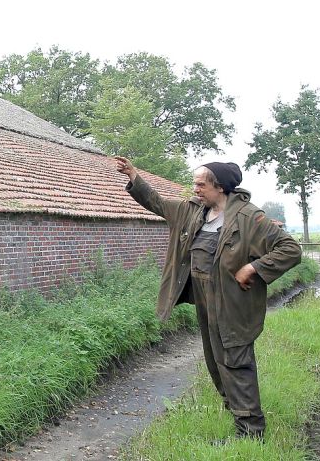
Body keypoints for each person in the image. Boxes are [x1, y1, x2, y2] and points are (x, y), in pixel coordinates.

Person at [115, 156, 301, 439]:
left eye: (201, 184)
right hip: (204, 299)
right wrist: (133, 176)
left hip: (232, 303)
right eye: (195, 184)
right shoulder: (193, 211)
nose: (195, 189)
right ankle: (238, 421)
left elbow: (290, 249)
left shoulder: (250, 218)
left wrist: (253, 267)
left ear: (221, 188)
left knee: (235, 360)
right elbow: (157, 203)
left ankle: (252, 432)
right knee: (215, 361)